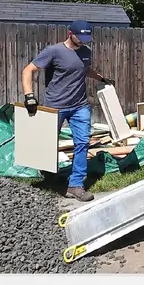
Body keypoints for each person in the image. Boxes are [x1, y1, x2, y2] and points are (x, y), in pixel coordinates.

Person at [21, 20, 115, 202]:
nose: (83, 42)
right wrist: (29, 96)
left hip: (80, 106)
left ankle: (75, 185)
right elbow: (28, 70)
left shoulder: (86, 52)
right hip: (55, 106)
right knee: (46, 143)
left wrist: (101, 78)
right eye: (80, 38)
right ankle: (47, 173)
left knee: (82, 143)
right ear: (70, 34)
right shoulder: (53, 51)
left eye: (86, 38)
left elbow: (84, 69)